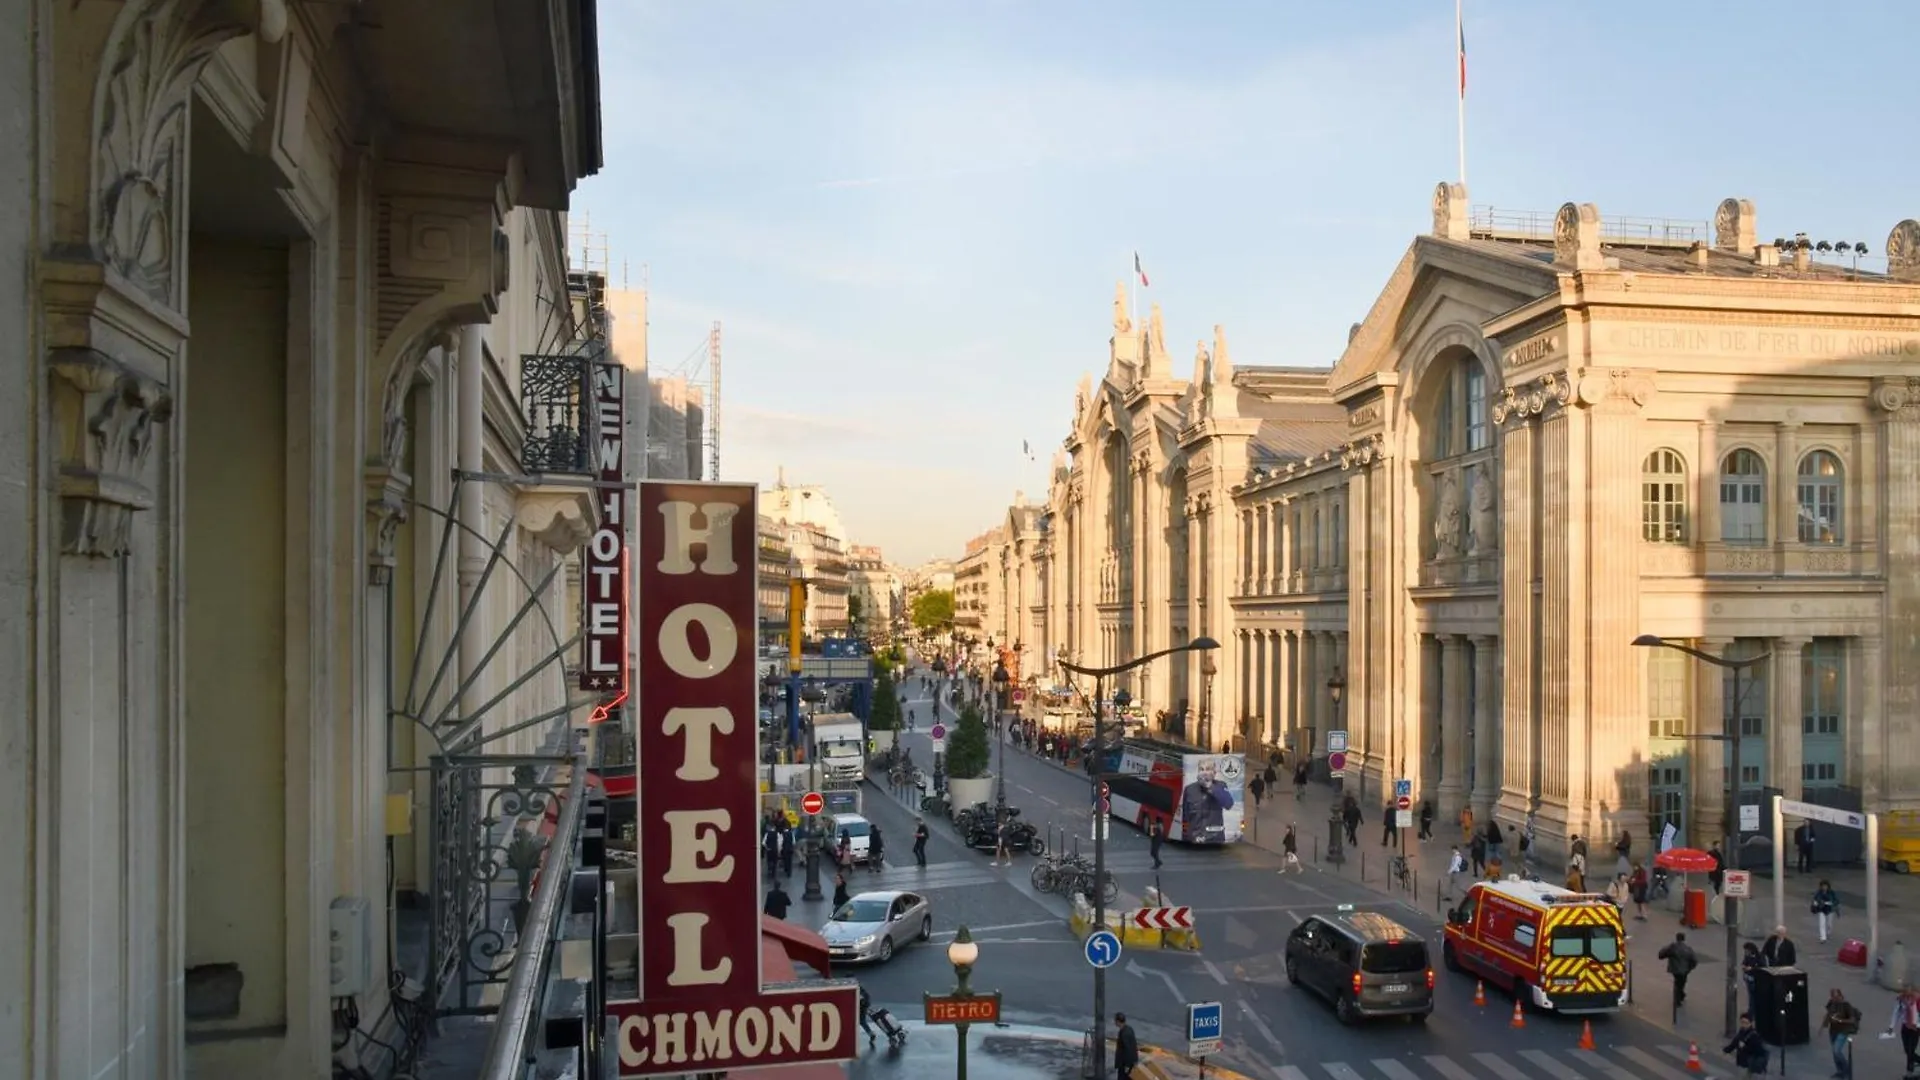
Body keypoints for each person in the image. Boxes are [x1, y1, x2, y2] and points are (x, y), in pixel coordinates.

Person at [1180, 758, 1236, 843]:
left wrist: (1209, 786)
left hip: (1215, 840)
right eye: (1201, 769)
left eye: (1208, 769)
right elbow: (1185, 817)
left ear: (1214, 773)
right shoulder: (1189, 789)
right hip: (1194, 840)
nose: (1204, 772)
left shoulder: (1221, 786)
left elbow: (1229, 804)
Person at [1819, 986, 1861, 1080]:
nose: (1834, 999)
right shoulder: (1831, 1003)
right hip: (1833, 1030)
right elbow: (1828, 1014)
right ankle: (1840, 1071)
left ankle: (1846, 1069)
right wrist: (1822, 1027)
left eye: (1836, 997)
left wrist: (1840, 1020)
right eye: (1833, 997)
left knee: (1836, 1050)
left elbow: (1852, 1020)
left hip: (1843, 1030)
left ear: (1840, 996)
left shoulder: (1846, 1005)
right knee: (1835, 1052)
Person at [1885, 982, 1920, 1074]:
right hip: (1905, 1027)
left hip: (1916, 1028)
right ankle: (1913, 1066)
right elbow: (1896, 1013)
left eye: (1908, 991)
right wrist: (1891, 1026)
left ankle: (1909, 1071)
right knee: (1907, 1050)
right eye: (1904, 991)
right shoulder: (1901, 1000)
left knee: (1910, 1050)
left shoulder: (1918, 1000)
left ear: (1912, 991)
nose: (1906, 993)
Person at [1658, 931, 1698, 1007]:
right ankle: (1678, 998)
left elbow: (1662, 954)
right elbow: (1694, 960)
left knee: (1678, 983)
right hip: (1685, 970)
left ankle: (1679, 996)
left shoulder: (1673, 947)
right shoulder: (1688, 949)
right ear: (1684, 939)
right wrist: (1689, 968)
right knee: (1681, 983)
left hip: (1675, 969)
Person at [1722, 1012, 1768, 1077]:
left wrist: (1745, 1047)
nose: (1744, 1025)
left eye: (1746, 1023)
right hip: (1742, 1062)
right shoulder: (1741, 1032)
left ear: (1751, 1023)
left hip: (1748, 1064)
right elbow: (1735, 1042)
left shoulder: (1754, 1036)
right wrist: (1727, 1050)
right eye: (1742, 1022)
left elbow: (1758, 1051)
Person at [1113, 1012, 1139, 1080]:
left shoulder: (1124, 1033)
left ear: (1118, 1021)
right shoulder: (1129, 1029)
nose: (1114, 1022)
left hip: (1124, 1064)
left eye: (1115, 1021)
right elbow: (1134, 1046)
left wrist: (1127, 1065)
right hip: (1130, 1062)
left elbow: (1128, 1049)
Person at [1812, 878, 1839, 942]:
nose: (1824, 887)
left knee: (1829, 924)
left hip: (1830, 909)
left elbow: (1836, 900)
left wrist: (1832, 903)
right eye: (1823, 886)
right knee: (1822, 924)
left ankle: (1828, 932)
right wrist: (1816, 903)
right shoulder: (1818, 892)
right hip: (1822, 909)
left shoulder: (1831, 892)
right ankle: (1823, 937)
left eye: (1825, 886)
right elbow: (1815, 899)